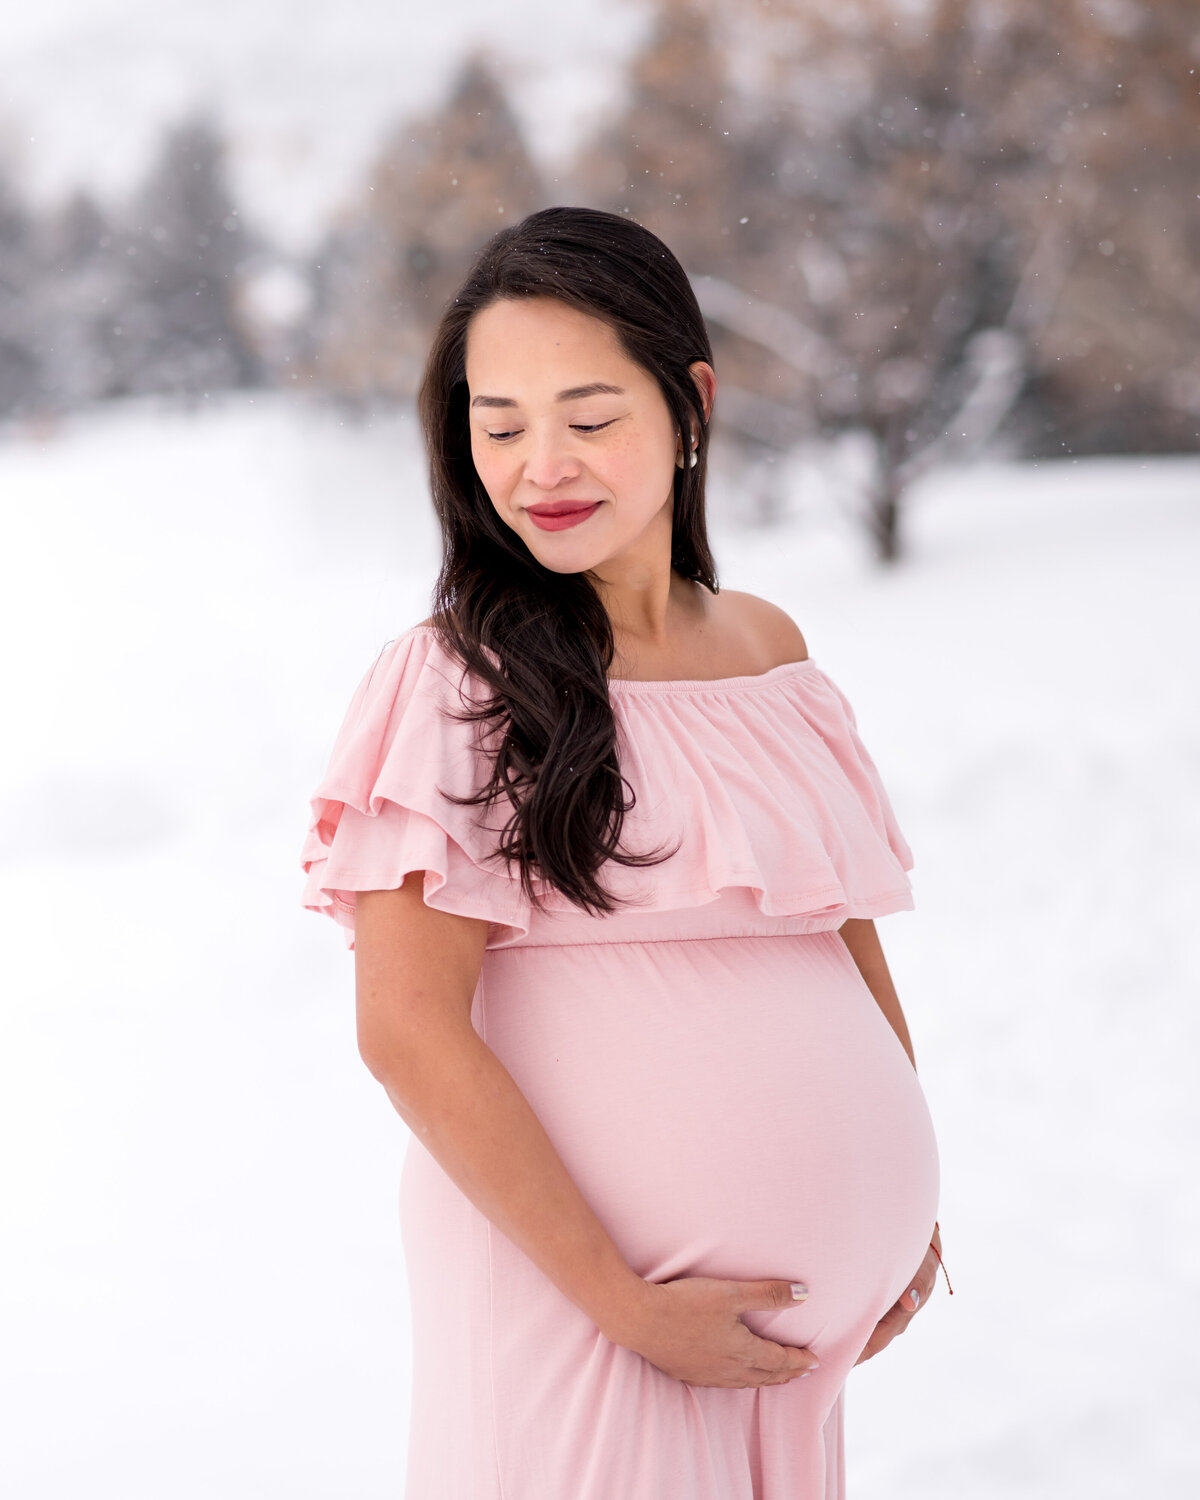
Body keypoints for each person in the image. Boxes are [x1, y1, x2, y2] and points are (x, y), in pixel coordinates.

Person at [300, 205, 945, 1499]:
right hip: (587, 1310)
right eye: (500, 425)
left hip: (777, 1344)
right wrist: (624, 1303)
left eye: (589, 417)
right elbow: (408, 1031)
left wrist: (903, 1212)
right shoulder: (454, 682)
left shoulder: (769, 652)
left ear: (690, 404)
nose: (544, 464)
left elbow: (838, 929)